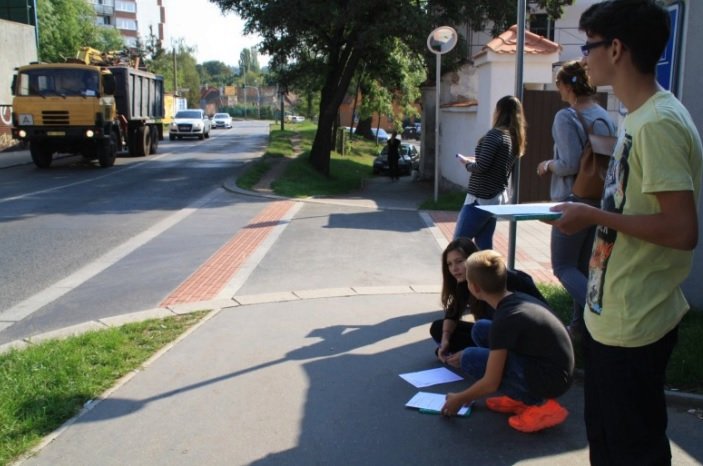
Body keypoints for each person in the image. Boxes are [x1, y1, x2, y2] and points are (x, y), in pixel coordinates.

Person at [551, 1, 702, 464]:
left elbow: (681, 230)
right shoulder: (635, 116)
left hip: (635, 325)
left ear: (615, 48)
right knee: (608, 443)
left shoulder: (658, 123)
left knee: (633, 451)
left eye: (587, 45)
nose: (584, 57)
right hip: (611, 316)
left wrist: (593, 216)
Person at [440, 250, 574, 434]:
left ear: (475, 288)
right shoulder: (512, 300)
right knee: (480, 329)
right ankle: (521, 397)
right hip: (552, 367)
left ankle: (542, 405)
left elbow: (491, 382)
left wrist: (460, 398)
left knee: (470, 358)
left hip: (552, 379)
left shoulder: (505, 319)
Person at [536, 60, 616, 339]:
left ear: (566, 86)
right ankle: (580, 330)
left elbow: (569, 163)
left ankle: (602, 314)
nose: (558, 91)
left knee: (563, 267)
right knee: (583, 267)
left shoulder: (566, 117)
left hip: (573, 200)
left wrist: (547, 164)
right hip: (599, 201)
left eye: (558, 85)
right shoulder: (605, 116)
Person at [431, 237, 547, 363]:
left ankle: (479, 355)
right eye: (449, 264)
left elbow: (512, 328)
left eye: (459, 261)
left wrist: (468, 355)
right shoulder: (465, 281)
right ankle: (471, 353)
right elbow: (453, 311)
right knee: (439, 328)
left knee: (475, 343)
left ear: (472, 259)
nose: (454, 268)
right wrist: (445, 339)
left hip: (522, 339)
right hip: (495, 333)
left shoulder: (502, 279)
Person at [454, 95, 527, 249]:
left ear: (499, 111)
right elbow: (495, 165)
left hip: (479, 198)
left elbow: (482, 167)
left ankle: (460, 274)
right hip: (495, 197)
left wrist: (467, 164)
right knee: (484, 248)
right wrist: (476, 160)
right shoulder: (513, 138)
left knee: (457, 247)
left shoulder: (495, 134)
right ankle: (489, 273)